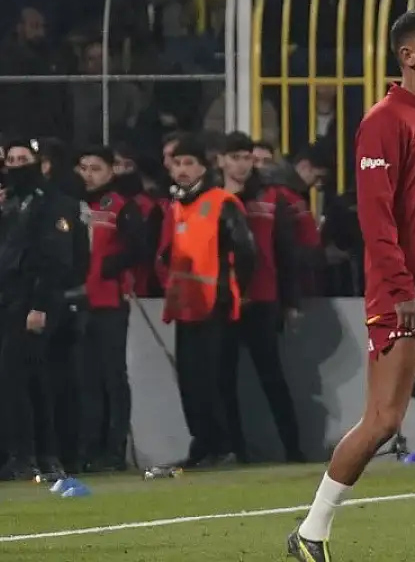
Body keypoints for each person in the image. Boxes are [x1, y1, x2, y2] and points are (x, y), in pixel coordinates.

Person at [290, 10, 415, 562]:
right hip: (406, 298)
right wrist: (401, 288)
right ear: (408, 56)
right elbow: (375, 219)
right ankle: (311, 531)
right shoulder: (383, 120)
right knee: (384, 421)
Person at [156, 134, 257, 469]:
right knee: (190, 379)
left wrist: (236, 291)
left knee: (216, 379)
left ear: (203, 167)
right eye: (177, 163)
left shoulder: (221, 202)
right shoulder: (176, 206)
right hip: (186, 305)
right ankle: (204, 443)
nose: (182, 170)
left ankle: (226, 445)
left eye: (189, 163)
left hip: (216, 304)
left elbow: (245, 251)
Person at [218, 132, 304, 463]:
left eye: (247, 158)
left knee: (272, 376)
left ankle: (293, 448)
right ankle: (235, 450)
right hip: (223, 299)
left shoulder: (270, 197)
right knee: (224, 379)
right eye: (236, 157)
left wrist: (291, 301)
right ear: (222, 160)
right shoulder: (213, 198)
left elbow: (286, 251)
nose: (242, 165)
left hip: (262, 297)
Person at [0, 139, 81, 481]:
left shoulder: (54, 204)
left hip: (34, 302)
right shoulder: (11, 204)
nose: (16, 166)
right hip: (9, 301)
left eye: (23, 159)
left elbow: (56, 260)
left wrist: (40, 306)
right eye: (11, 159)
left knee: (20, 379)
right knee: (29, 380)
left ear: (42, 164)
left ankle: (28, 454)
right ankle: (39, 455)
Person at [77, 146, 148, 472]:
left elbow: (139, 247)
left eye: (96, 168)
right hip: (79, 301)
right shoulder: (77, 206)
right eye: (84, 168)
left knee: (112, 377)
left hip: (109, 301)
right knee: (87, 379)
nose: (88, 175)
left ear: (110, 171)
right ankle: (89, 449)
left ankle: (114, 449)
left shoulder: (120, 205)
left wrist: (110, 267)